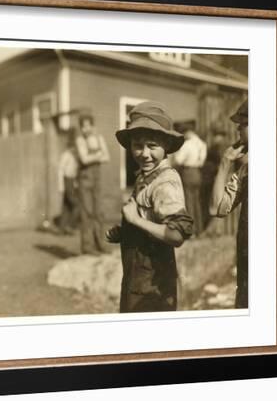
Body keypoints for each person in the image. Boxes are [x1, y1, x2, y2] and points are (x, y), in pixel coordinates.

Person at [106, 101, 193, 313]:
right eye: (138, 145)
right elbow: (149, 217)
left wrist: (136, 220)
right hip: (139, 278)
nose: (144, 153)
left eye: (152, 146)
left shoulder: (165, 182)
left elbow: (175, 235)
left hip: (153, 287)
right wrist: (126, 231)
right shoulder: (146, 175)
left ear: (166, 147)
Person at [208, 99, 249, 308]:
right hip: (248, 264)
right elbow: (216, 208)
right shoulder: (245, 170)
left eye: (243, 123)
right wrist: (225, 163)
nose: (237, 128)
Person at [75, 109, 110, 255]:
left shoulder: (99, 138)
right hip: (85, 179)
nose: (86, 129)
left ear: (92, 126)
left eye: (88, 125)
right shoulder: (79, 140)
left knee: (99, 212)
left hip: (97, 179)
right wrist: (98, 154)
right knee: (87, 213)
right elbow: (84, 159)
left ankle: (100, 244)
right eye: (83, 126)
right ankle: (87, 247)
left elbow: (107, 157)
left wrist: (94, 156)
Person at [171, 122, 207, 235]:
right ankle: (199, 229)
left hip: (188, 172)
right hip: (198, 173)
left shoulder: (187, 145)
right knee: (197, 202)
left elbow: (178, 160)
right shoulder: (202, 144)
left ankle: (191, 230)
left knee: (189, 202)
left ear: (188, 132)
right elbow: (202, 161)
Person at [55, 128, 80, 235]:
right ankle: (70, 225)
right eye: (72, 145)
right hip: (67, 179)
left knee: (66, 205)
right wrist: (61, 185)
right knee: (76, 204)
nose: (74, 147)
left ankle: (62, 228)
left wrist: (75, 182)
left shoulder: (75, 155)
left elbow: (75, 170)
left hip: (72, 180)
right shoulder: (66, 155)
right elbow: (60, 170)